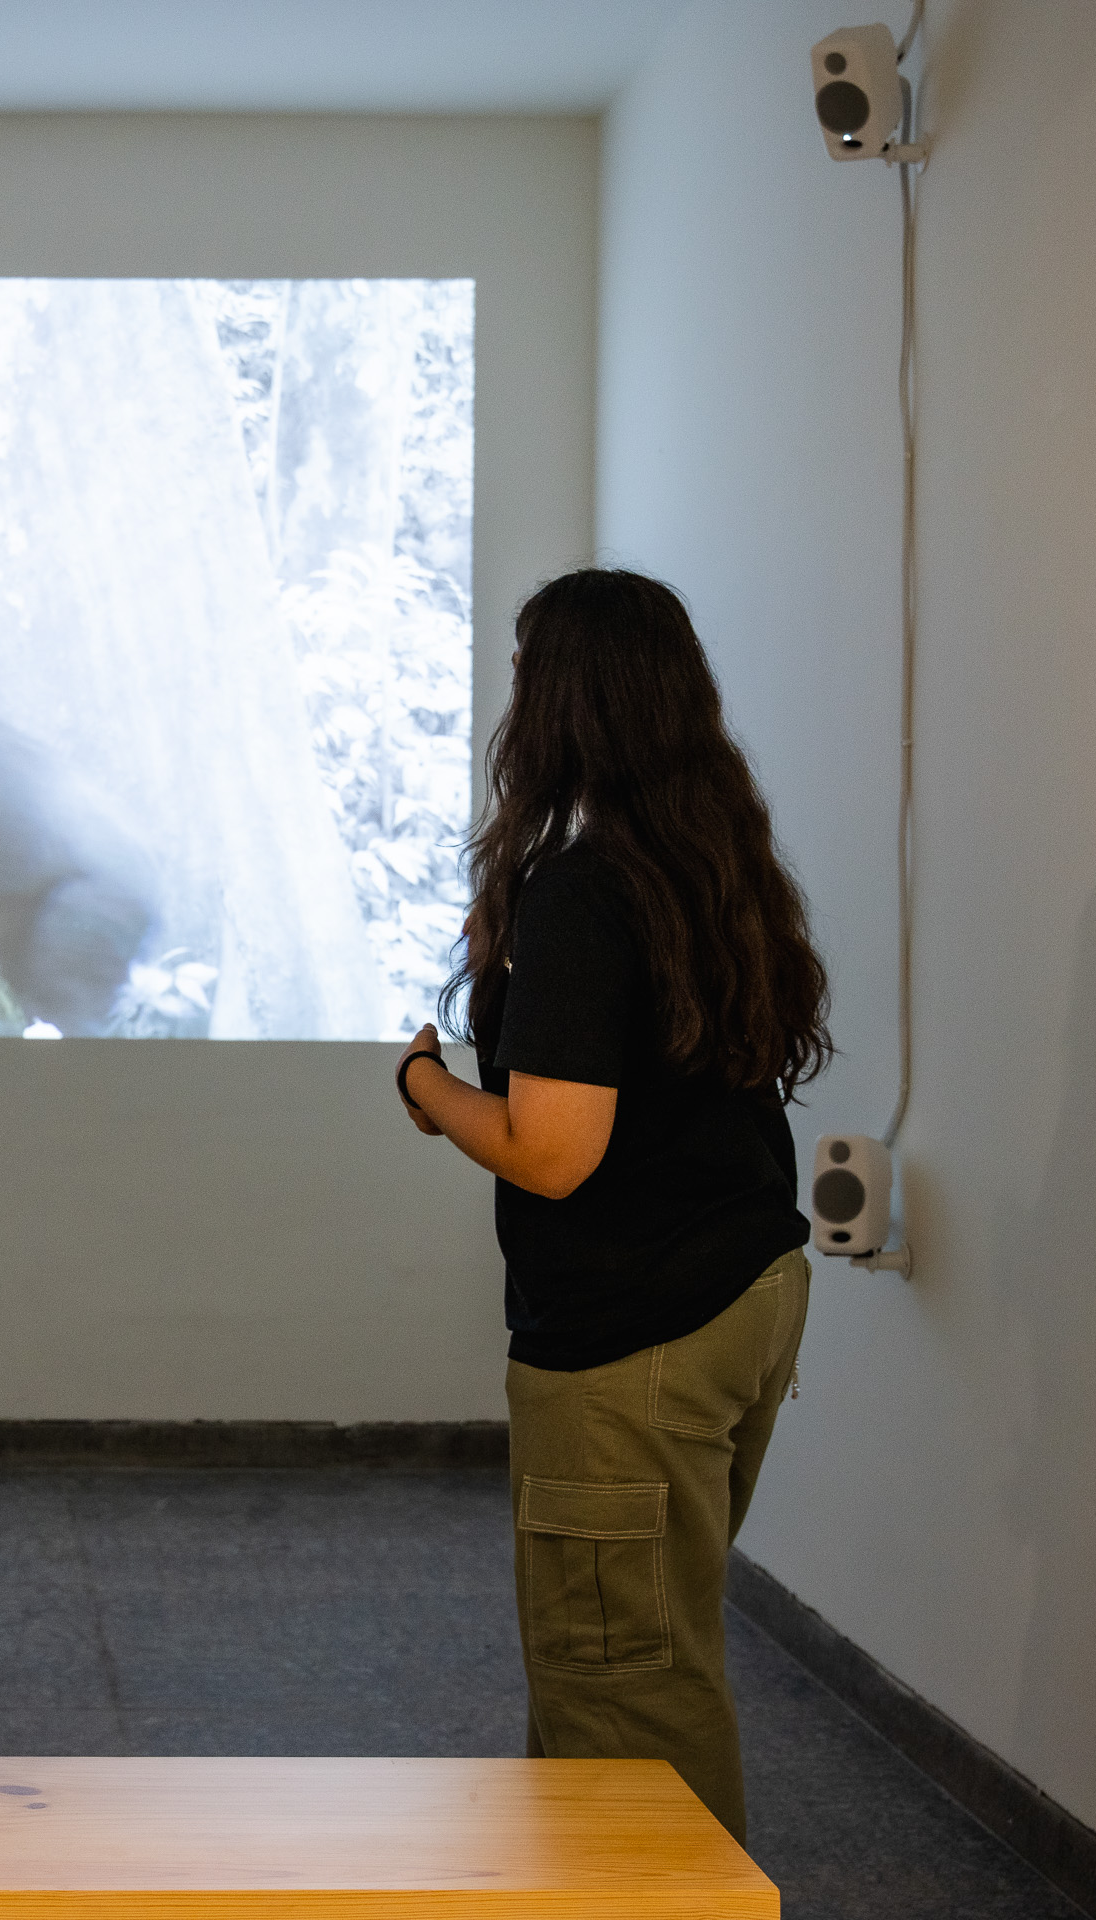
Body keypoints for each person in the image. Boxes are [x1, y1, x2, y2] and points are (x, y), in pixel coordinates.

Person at [396, 569, 832, 1841]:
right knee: (642, 1645)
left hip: (634, 1337)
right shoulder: (712, 866)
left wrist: (425, 1081)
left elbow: (553, 1152)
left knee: (621, 1688)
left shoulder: (586, 890)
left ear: (565, 704)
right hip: (741, 1292)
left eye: (529, 678)